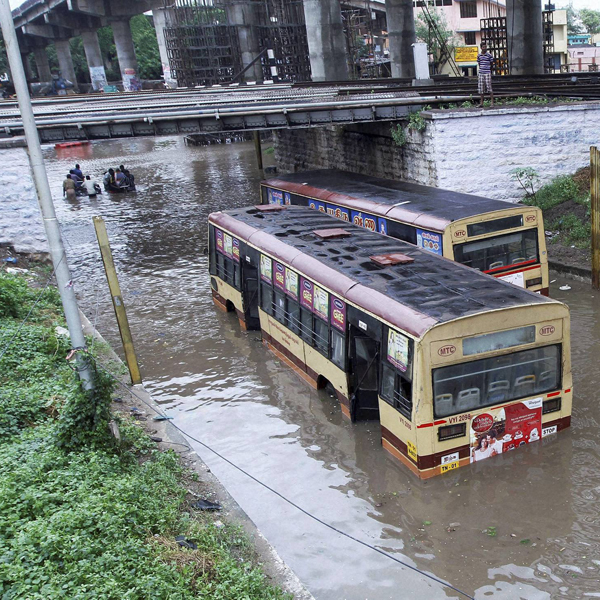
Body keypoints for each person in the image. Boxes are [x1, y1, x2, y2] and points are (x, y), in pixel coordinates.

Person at [477, 42, 494, 108]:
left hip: (487, 73)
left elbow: (491, 63)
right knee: (481, 88)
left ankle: (492, 103)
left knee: (489, 87)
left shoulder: (489, 55)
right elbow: (479, 63)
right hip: (481, 73)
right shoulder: (479, 55)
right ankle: (481, 103)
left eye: (485, 47)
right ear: (481, 48)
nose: (485, 48)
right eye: (483, 47)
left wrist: (489, 70)